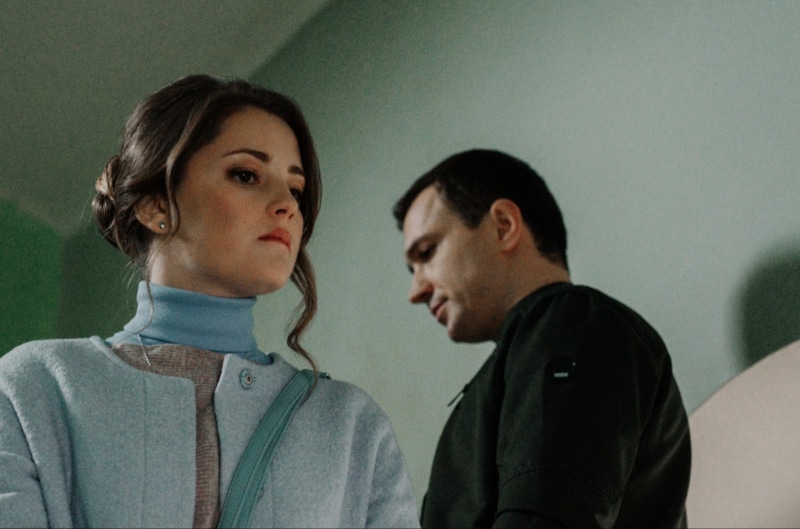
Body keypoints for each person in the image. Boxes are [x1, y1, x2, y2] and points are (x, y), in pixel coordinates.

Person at [0, 74, 418, 528]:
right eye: (246, 175)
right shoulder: (34, 391)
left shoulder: (353, 429)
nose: (287, 205)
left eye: (296, 189)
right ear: (155, 205)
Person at [393, 149, 691, 528]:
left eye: (427, 252)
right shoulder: (533, 351)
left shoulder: (574, 325)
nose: (415, 291)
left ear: (504, 225)